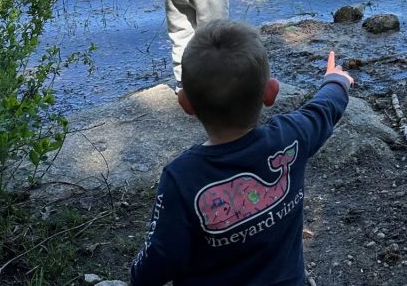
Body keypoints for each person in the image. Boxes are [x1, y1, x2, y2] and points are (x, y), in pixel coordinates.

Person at [130, 19, 354, 286]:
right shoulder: (291, 137)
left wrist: (137, 275)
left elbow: (161, 257)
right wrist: (336, 81)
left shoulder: (181, 178)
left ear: (185, 103)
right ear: (270, 93)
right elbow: (324, 109)